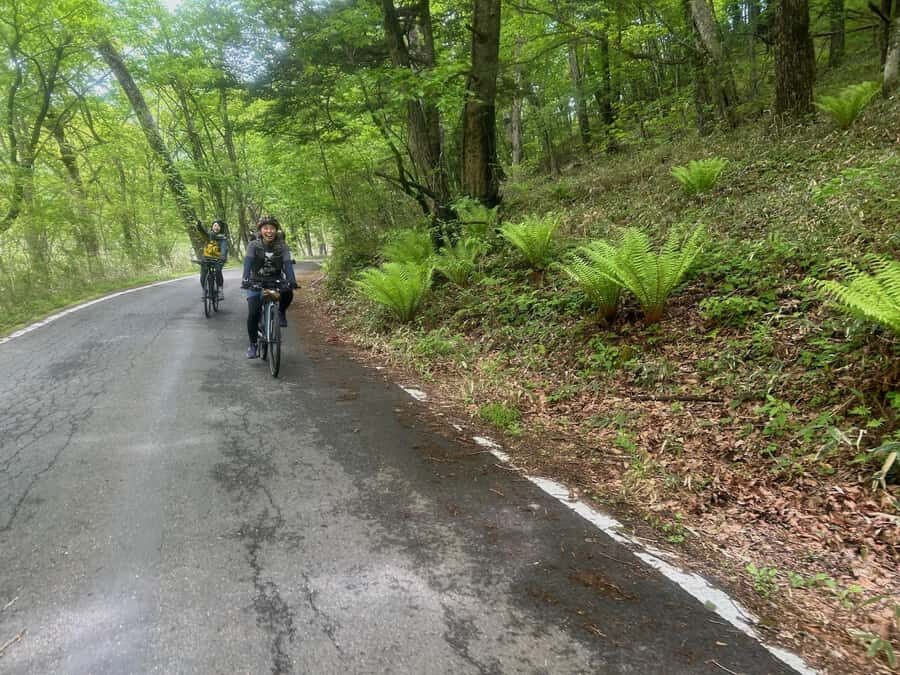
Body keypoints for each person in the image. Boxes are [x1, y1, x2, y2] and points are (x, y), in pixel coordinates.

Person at [241, 215, 297, 359]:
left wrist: (292, 280)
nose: (269, 231)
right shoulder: (253, 245)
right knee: (253, 313)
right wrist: (245, 278)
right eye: (266, 228)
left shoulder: (282, 245)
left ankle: (281, 312)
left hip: (276, 279)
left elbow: (287, 264)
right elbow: (248, 263)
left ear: (276, 230)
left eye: (272, 228)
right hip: (255, 281)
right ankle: (253, 344)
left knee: (288, 292)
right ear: (261, 230)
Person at [197, 219, 229, 299]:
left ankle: (220, 290)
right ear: (212, 227)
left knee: (218, 271)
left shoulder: (223, 238)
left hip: (218, 259)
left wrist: (222, 257)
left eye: (218, 226)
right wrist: (199, 226)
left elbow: (224, 248)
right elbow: (203, 232)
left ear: (220, 228)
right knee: (203, 275)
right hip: (207, 258)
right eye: (214, 225)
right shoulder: (209, 235)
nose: (216, 227)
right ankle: (204, 290)